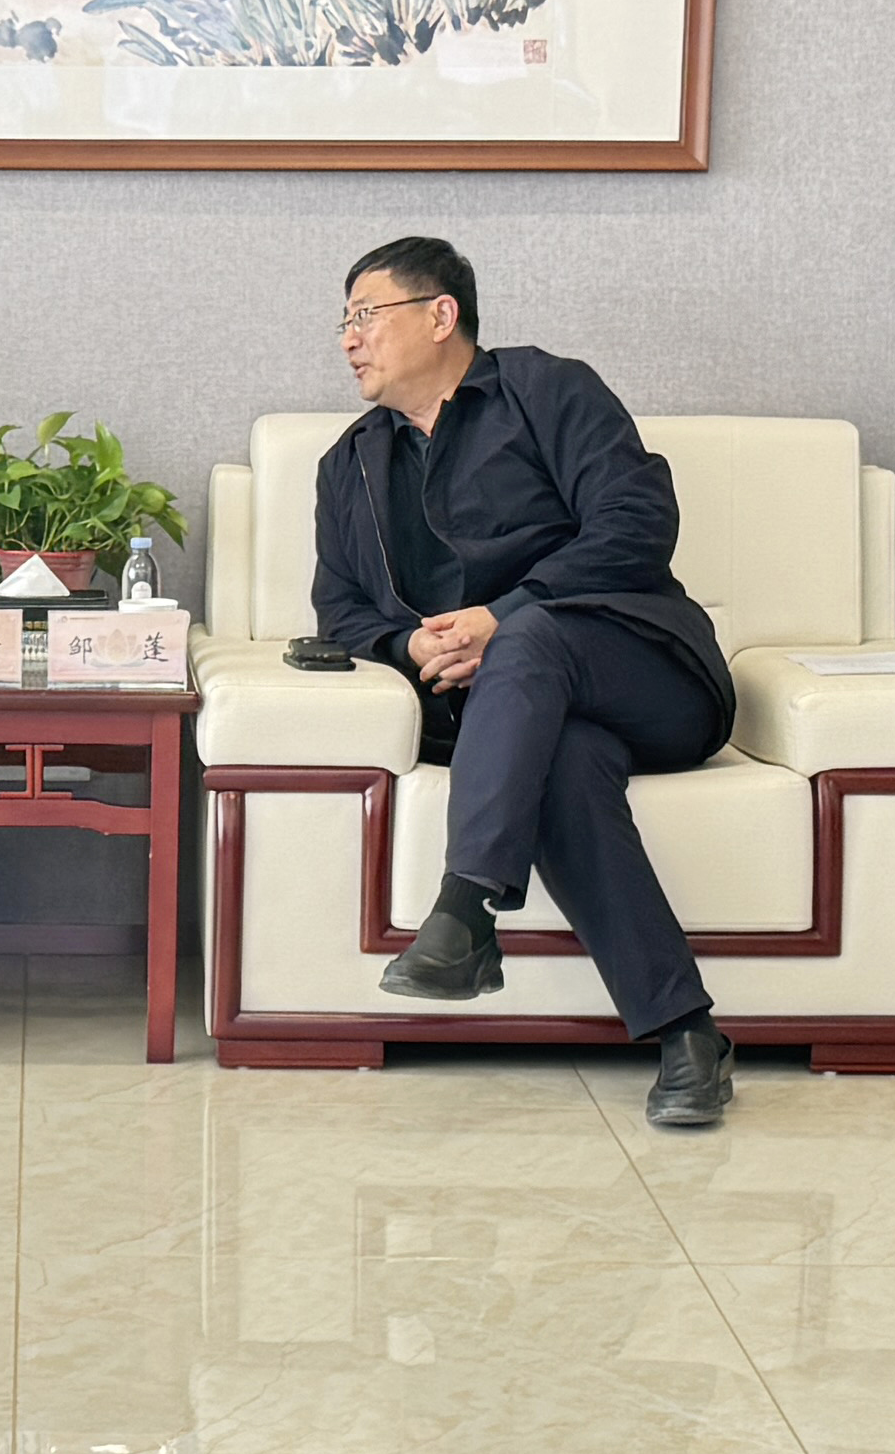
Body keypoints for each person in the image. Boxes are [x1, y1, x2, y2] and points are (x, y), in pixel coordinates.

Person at [312, 236, 742, 1129]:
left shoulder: (547, 391)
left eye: (366, 315)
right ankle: (688, 1036)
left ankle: (465, 907)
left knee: (531, 638)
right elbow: (340, 610)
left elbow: (636, 518)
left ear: (441, 315)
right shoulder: (347, 465)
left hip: (643, 672)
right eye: (344, 321)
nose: (348, 338)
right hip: (516, 721)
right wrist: (411, 645)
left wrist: (503, 616)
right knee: (565, 769)